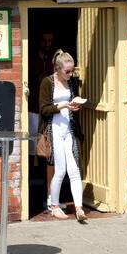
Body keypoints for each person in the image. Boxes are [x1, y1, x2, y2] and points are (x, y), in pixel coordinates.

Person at [38, 50, 87, 222]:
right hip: (54, 130)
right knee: (60, 170)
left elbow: (72, 100)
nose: (71, 74)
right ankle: (54, 206)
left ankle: (79, 208)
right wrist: (62, 106)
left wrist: (74, 105)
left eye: (72, 70)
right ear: (58, 69)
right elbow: (44, 109)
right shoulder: (47, 82)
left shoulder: (70, 81)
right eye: (67, 71)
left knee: (74, 170)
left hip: (69, 129)